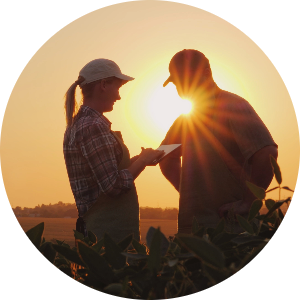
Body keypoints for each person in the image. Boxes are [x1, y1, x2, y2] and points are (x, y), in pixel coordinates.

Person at [159, 49, 278, 234]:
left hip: (230, 230)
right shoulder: (185, 120)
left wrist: (248, 202)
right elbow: (165, 157)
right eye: (176, 83)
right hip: (191, 230)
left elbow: (266, 153)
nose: (181, 88)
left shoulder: (233, 106)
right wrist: (189, 194)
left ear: (206, 73)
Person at [63, 58, 164, 243]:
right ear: (103, 85)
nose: (118, 96)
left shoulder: (80, 124)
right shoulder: (92, 126)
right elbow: (113, 185)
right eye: (117, 88)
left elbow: (104, 173)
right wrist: (142, 162)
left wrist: (141, 158)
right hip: (107, 237)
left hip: (100, 232)